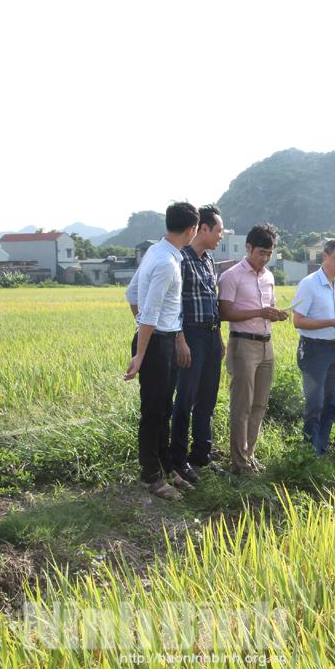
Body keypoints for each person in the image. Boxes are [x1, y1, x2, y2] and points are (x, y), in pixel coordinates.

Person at [123, 201, 199, 501]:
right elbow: (150, 312)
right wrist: (142, 352)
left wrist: (153, 338)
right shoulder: (167, 262)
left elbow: (132, 295)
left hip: (161, 341)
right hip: (156, 344)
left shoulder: (158, 252)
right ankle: (151, 477)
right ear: (192, 229)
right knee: (153, 412)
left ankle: (167, 467)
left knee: (163, 409)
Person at [217, 223, 289, 474]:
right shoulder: (231, 276)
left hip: (266, 345)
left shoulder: (268, 277)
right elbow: (224, 312)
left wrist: (276, 314)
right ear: (248, 248)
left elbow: (269, 305)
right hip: (243, 344)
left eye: (269, 254)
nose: (265, 258)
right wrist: (260, 311)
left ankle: (249, 454)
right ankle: (239, 462)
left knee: (259, 404)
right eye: (261, 253)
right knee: (242, 405)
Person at [168, 204, 225, 481]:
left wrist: (219, 338)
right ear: (203, 228)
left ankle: (201, 453)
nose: (221, 237)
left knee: (208, 398)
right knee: (186, 398)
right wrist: (181, 340)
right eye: (219, 231)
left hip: (212, 334)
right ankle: (178, 461)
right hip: (191, 335)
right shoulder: (182, 259)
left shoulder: (208, 260)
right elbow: (175, 304)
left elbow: (212, 301)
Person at [291, 238, 335, 456]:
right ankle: (310, 451)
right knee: (315, 403)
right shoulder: (309, 284)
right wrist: (332, 322)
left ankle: (321, 447)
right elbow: (298, 321)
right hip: (314, 349)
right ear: (325, 256)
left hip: (334, 349)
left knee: (332, 402)